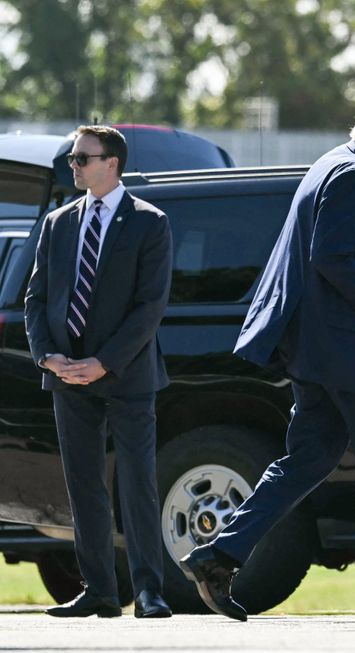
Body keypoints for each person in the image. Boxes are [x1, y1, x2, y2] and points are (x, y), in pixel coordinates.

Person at [180, 93, 355, 623]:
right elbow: (331, 257)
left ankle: (218, 555)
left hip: (320, 353)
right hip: (346, 353)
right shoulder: (352, 176)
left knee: (306, 461)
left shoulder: (331, 165)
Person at [24, 125, 174, 619]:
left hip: (127, 375)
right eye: (72, 159)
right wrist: (48, 357)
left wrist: (104, 361)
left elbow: (150, 307)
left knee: (137, 482)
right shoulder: (59, 222)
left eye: (82, 158)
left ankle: (150, 591)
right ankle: (100, 592)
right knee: (83, 484)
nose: (74, 166)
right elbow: (37, 298)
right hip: (67, 375)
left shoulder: (150, 222)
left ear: (112, 162)